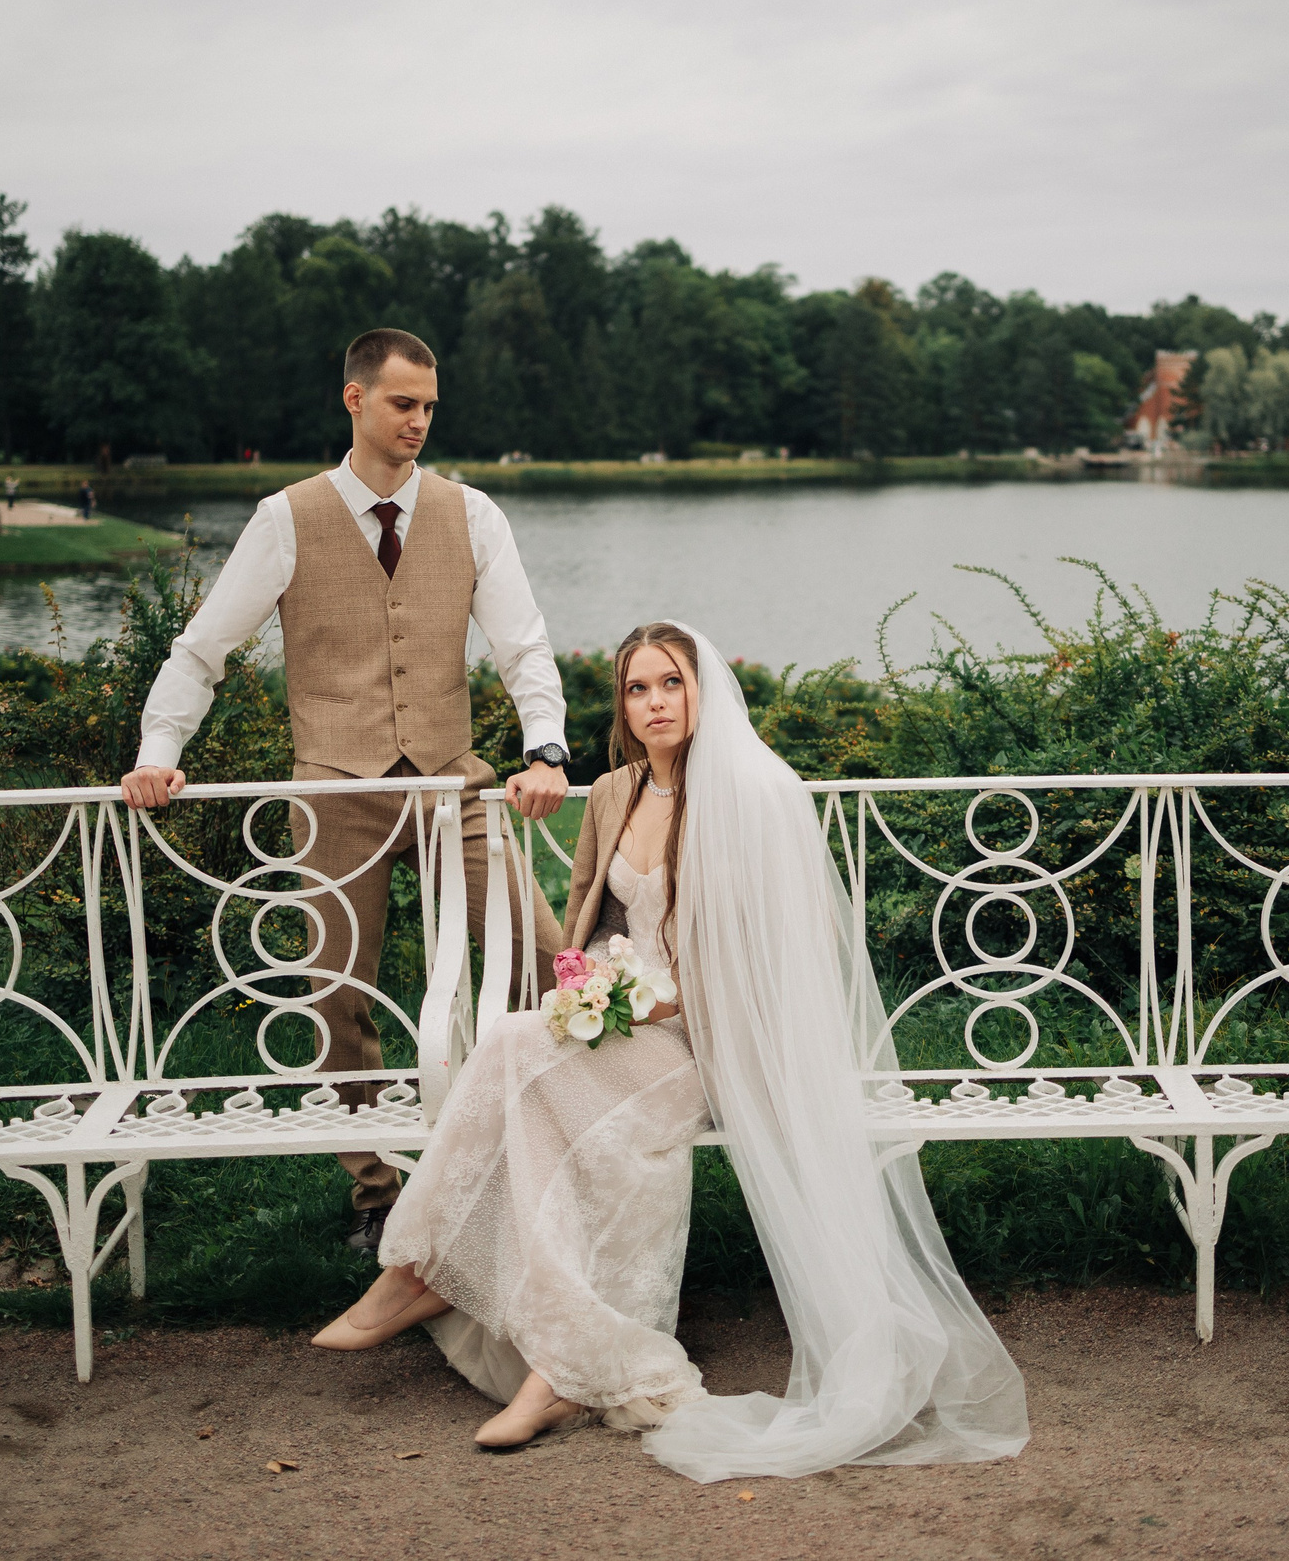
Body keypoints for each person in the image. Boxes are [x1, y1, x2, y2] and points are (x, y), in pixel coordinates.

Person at [312, 622, 1029, 1478]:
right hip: (621, 1026)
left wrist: (647, 998)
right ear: (621, 705)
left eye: (670, 684)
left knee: (516, 1053)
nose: (653, 703)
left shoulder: (751, 797)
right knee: (533, 1085)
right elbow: (589, 923)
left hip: (709, 1043)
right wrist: (581, 989)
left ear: (702, 692)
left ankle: (429, 1271)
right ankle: (559, 1368)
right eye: (636, 688)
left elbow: (765, 962)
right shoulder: (615, 793)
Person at [121, 327, 570, 1251]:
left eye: (431, 407)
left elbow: (521, 645)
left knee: (545, 953)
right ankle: (374, 1190)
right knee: (339, 994)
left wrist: (548, 749)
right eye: (404, 404)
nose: (420, 422)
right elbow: (203, 650)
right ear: (355, 400)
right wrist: (159, 748)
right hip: (336, 794)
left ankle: (527, 1148)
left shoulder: (472, 514)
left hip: (454, 786)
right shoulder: (286, 518)